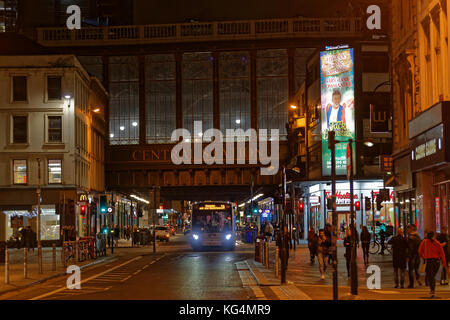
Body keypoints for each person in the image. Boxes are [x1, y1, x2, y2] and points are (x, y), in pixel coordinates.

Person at [418, 230, 447, 297]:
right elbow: (442, 253)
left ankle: (432, 290)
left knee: (430, 276)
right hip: (436, 262)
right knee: (432, 276)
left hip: (429, 261)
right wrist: (443, 262)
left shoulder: (424, 242)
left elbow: (419, 251)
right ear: (433, 236)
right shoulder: (437, 243)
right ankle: (432, 289)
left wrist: (423, 256)